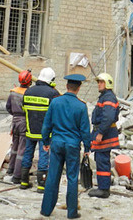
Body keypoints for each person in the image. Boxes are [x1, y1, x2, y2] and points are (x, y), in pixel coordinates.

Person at [40, 74, 90, 219]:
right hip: (73, 145)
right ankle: (72, 212)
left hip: (56, 144)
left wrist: (45, 142)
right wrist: (87, 148)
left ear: (67, 86)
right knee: (72, 178)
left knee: (53, 176)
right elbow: (85, 130)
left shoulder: (55, 103)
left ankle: (46, 210)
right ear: (78, 88)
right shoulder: (81, 106)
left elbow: (46, 124)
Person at [20, 67, 60, 193]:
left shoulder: (28, 91)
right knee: (44, 156)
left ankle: (24, 181)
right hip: (45, 132)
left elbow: (24, 108)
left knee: (27, 154)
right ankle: (41, 185)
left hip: (30, 129)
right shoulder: (52, 93)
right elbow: (56, 112)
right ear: (51, 80)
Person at [88, 73, 120, 199]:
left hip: (105, 134)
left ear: (107, 83)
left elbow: (108, 117)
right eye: (98, 82)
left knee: (102, 161)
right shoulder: (105, 97)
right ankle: (102, 186)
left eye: (101, 82)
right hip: (102, 132)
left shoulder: (108, 98)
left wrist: (100, 132)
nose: (99, 84)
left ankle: (103, 189)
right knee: (100, 159)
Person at [5, 70, 32, 184]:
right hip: (24, 122)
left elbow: (8, 107)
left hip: (14, 121)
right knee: (22, 149)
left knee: (14, 147)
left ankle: (10, 169)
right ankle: (17, 175)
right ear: (29, 81)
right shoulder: (29, 93)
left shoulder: (13, 92)